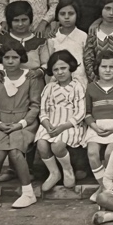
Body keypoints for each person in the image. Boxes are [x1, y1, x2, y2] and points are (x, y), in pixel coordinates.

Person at [0, 43, 41, 209]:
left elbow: (35, 106)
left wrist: (20, 124)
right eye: (7, 57)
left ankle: (28, 193)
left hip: (24, 124)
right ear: (1, 59)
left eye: (15, 57)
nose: (11, 61)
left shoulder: (30, 78)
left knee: (15, 152)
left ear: (22, 59)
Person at [35, 49, 87, 191]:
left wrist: (64, 126)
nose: (60, 72)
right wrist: (47, 124)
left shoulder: (77, 86)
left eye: (63, 68)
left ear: (71, 67)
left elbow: (81, 112)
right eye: (56, 69)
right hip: (51, 123)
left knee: (57, 145)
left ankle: (67, 170)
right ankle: (54, 173)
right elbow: (43, 111)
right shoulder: (49, 88)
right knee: (41, 144)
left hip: (70, 124)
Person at [0, 1, 47, 104]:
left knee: (33, 114)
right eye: (16, 20)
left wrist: (38, 72)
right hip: (9, 84)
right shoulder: (3, 39)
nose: (20, 24)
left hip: (34, 85)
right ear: (10, 21)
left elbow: (46, 63)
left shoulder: (39, 40)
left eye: (24, 20)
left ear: (31, 20)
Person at [83, 50, 113, 186]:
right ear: (97, 68)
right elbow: (87, 113)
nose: (107, 70)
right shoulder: (91, 88)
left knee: (110, 154)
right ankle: (104, 186)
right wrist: (94, 126)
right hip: (96, 126)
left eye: (112, 67)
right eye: (104, 67)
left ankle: (107, 186)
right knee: (92, 153)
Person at [41, 0, 88, 87]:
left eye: (71, 14)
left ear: (77, 15)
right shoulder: (53, 38)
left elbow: (87, 60)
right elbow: (50, 62)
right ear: (57, 16)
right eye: (62, 14)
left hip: (80, 82)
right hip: (59, 82)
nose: (66, 17)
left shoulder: (83, 36)